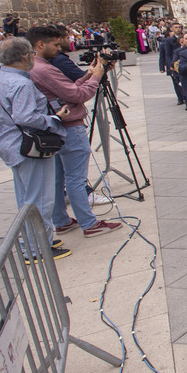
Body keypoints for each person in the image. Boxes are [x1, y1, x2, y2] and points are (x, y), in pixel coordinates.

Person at [27, 26, 120, 238]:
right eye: (55, 44)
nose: (59, 49)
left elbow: (66, 93)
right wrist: (96, 77)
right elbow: (77, 96)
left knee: (59, 178)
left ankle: (61, 220)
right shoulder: (44, 69)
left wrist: (87, 74)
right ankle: (89, 224)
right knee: (75, 179)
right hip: (70, 127)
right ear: (41, 44)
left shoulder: (35, 67)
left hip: (58, 127)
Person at [0, 37, 72, 260]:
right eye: (31, 54)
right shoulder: (21, 83)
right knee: (41, 198)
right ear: (25, 57)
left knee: (26, 198)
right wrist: (54, 118)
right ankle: (37, 248)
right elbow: (25, 117)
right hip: (28, 147)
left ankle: (34, 241)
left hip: (9, 144)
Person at [158, 22, 185, 105]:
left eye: (179, 27)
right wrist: (170, 65)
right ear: (172, 29)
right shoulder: (169, 40)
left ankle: (186, 97)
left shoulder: (184, 37)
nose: (178, 29)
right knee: (176, 82)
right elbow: (167, 54)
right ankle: (180, 98)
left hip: (183, 61)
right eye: (175, 27)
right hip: (174, 62)